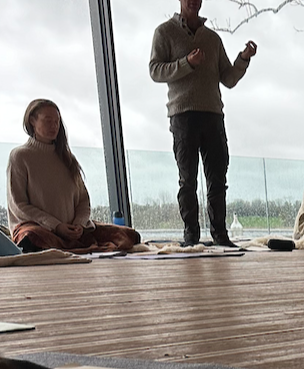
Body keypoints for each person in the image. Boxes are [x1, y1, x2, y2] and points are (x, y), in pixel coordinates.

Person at [150, 0, 257, 247]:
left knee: (218, 178)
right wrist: (186, 63)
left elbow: (228, 79)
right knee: (187, 180)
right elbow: (155, 70)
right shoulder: (164, 32)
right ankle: (191, 236)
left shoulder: (212, 39)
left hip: (213, 115)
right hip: (182, 115)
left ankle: (220, 235)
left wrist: (243, 59)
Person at [6, 99, 141, 254]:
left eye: (57, 122)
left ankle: (69, 244)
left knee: (129, 235)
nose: (54, 126)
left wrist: (79, 225)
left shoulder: (67, 158)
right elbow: (19, 205)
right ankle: (66, 245)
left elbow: (83, 200)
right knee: (31, 238)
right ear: (32, 121)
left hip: (73, 229)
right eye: (48, 121)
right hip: (41, 228)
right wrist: (56, 226)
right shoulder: (20, 156)